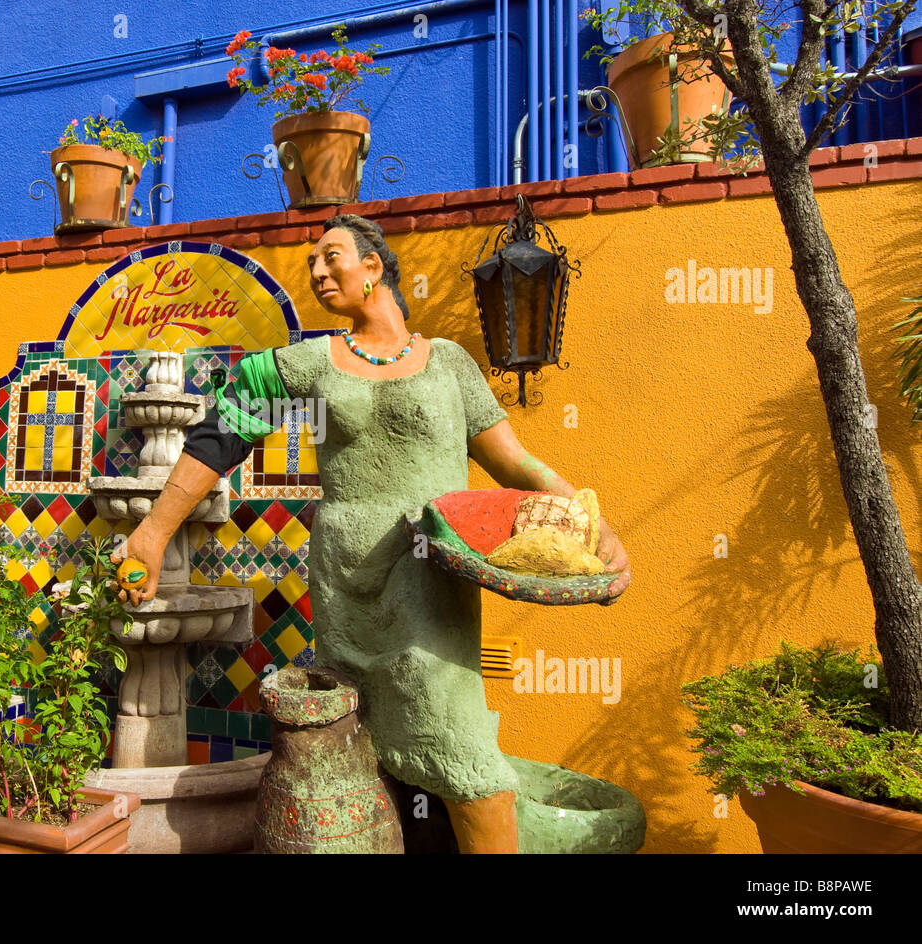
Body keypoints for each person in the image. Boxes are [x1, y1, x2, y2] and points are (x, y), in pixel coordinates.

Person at [111, 214, 630, 853]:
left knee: (463, 755)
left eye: (332, 258)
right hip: (343, 584)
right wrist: (153, 533)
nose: (319, 272)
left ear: (374, 266)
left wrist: (586, 518)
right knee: (362, 754)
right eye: (312, 266)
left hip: (428, 584)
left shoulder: (449, 365)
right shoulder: (309, 366)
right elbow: (224, 432)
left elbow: (514, 464)